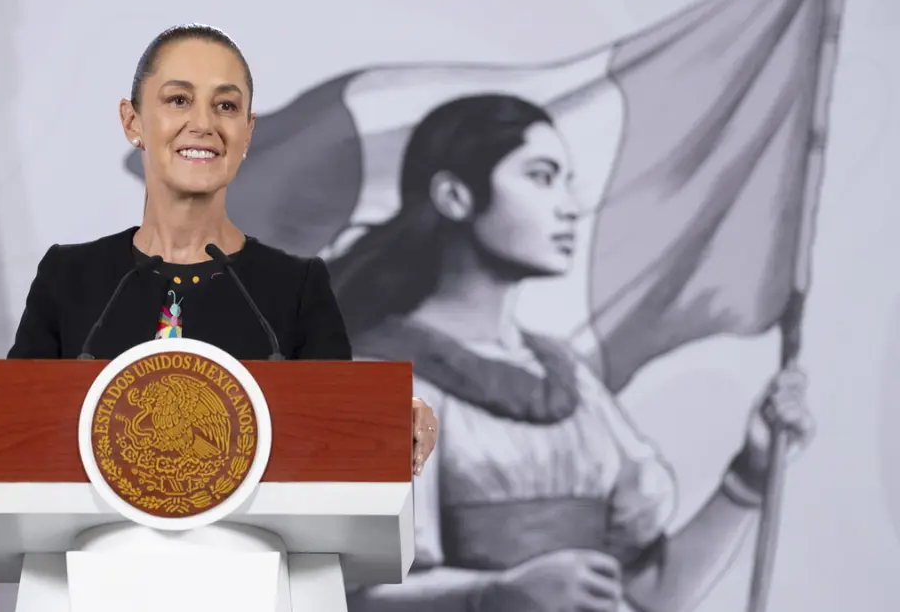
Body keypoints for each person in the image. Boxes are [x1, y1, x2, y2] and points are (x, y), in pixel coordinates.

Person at [331, 94, 815, 612]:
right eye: (541, 177)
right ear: (455, 196)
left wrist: (750, 475)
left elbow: (652, 593)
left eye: (566, 181)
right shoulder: (371, 377)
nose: (569, 205)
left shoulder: (572, 382)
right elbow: (345, 598)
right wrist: (496, 595)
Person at [0, 24, 439, 478]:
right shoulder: (70, 277)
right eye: (177, 100)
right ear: (132, 123)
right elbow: (13, 427)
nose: (204, 123)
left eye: (226, 105)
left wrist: (396, 418)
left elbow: (342, 437)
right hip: (97, 580)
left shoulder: (297, 287)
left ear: (247, 133)